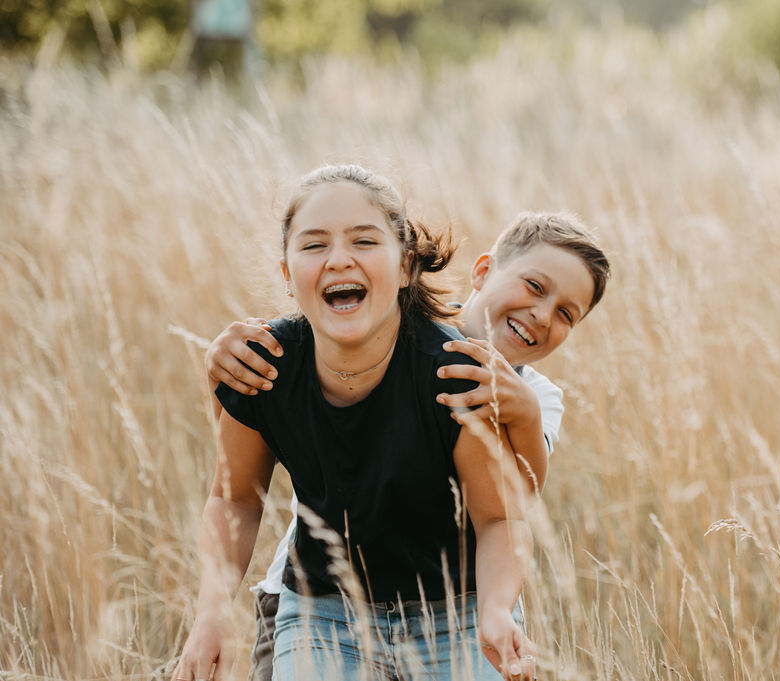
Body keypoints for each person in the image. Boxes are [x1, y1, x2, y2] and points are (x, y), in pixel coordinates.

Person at [171, 165, 597, 681]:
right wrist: (211, 613)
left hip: (456, 611)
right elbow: (235, 496)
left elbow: (508, 510)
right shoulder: (261, 364)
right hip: (323, 610)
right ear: (286, 273)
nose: (339, 259)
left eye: (365, 241)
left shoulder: (462, 374)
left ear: (406, 267)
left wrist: (495, 610)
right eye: (313, 245)